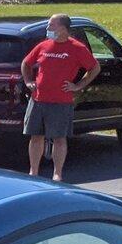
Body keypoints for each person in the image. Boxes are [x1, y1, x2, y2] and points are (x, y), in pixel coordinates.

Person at [19, 14, 99, 182]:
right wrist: (28, 81)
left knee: (59, 139)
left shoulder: (77, 48)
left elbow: (94, 68)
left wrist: (77, 85)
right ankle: (33, 172)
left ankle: (57, 173)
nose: (48, 29)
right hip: (38, 99)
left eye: (51, 26)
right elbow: (26, 63)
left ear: (63, 28)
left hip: (61, 102)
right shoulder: (43, 46)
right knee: (36, 136)